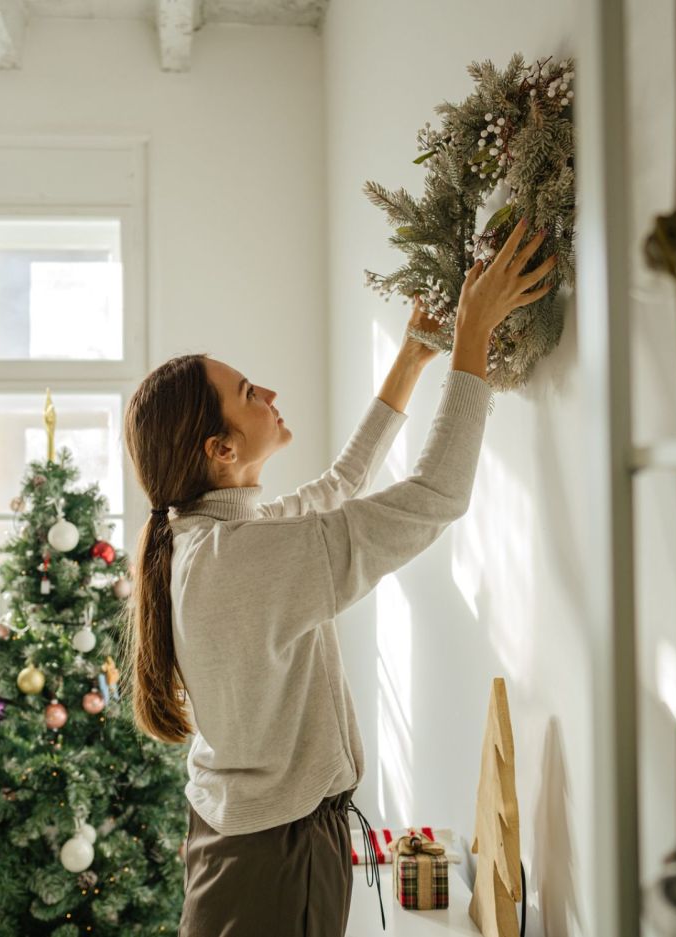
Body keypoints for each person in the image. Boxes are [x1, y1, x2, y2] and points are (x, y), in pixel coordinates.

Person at [119, 218, 556, 936]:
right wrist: (472, 337)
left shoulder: (215, 536)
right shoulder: (240, 560)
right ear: (221, 448)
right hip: (274, 856)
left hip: (251, 841)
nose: (270, 391)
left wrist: (412, 360)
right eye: (248, 389)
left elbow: (339, 485)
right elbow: (436, 495)